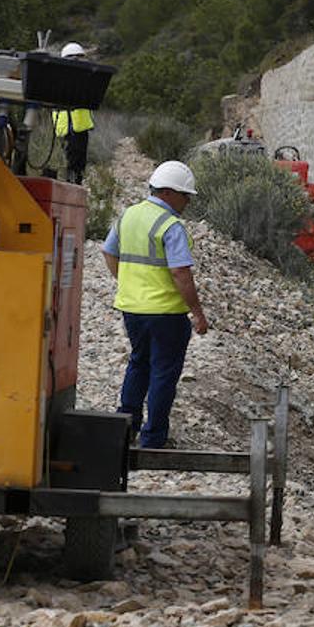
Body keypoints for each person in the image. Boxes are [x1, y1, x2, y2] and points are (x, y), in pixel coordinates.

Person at [102, 160, 210, 449]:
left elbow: (108, 252)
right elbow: (180, 273)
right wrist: (198, 314)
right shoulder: (170, 226)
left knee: (138, 364)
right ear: (169, 192)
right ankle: (153, 438)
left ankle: (125, 430)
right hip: (166, 314)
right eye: (186, 195)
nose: (187, 202)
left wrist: (126, 282)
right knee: (163, 373)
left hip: (132, 310)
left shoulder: (129, 215)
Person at [51, 42, 95, 184]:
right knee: (70, 161)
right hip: (67, 128)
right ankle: (71, 185)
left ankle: (74, 184)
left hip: (79, 128)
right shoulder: (60, 78)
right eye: (74, 58)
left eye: (79, 58)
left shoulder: (85, 78)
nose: (77, 61)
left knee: (78, 162)